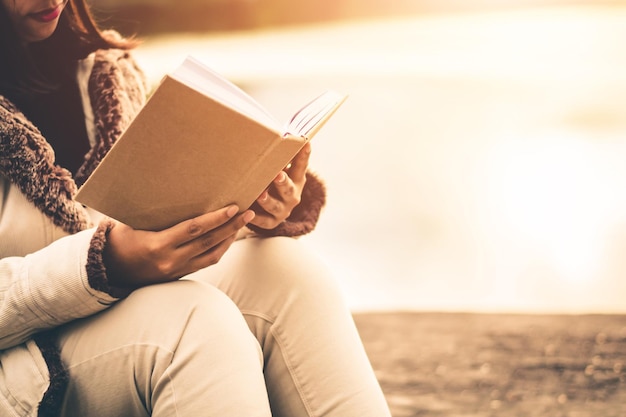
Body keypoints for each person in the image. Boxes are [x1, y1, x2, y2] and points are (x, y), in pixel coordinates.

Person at [0, 0, 392, 416]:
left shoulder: (104, 73)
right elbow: (109, 249)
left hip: (101, 314)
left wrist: (251, 209)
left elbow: (140, 221)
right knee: (195, 323)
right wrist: (108, 262)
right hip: (20, 359)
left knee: (283, 270)